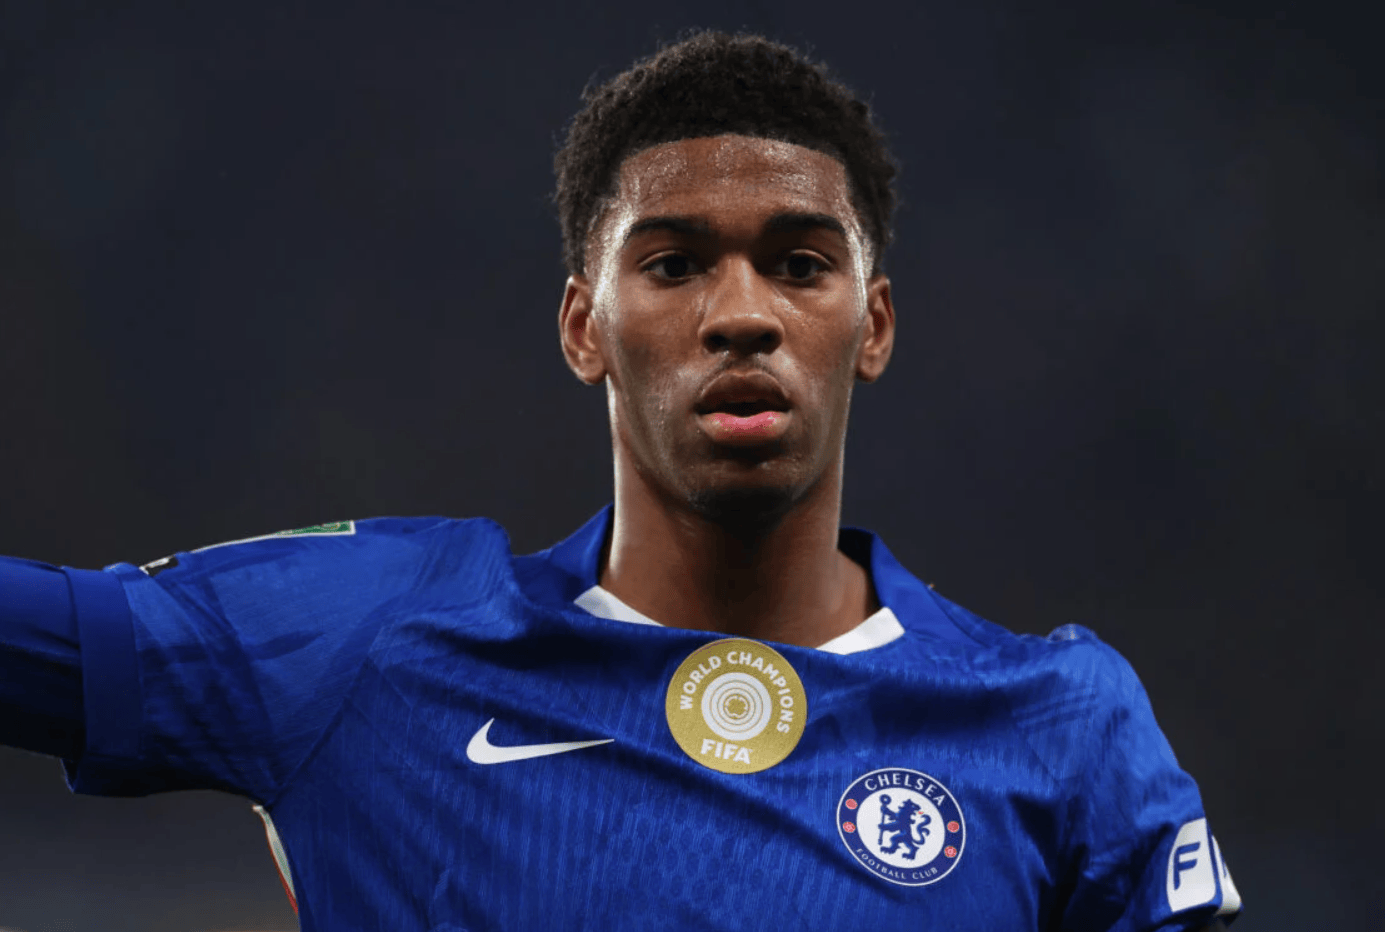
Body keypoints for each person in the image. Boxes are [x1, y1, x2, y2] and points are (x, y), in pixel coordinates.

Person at [0, 31, 1241, 930]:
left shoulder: (1058, 722)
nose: (741, 313)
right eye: (675, 262)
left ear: (870, 325)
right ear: (584, 326)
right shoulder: (367, 640)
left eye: (800, 263)